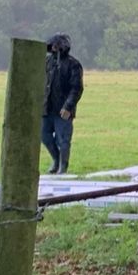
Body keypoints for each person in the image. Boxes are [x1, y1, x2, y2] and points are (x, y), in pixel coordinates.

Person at [42, 34, 83, 175]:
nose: (54, 48)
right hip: (47, 108)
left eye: (57, 46)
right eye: (52, 46)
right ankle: (56, 159)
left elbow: (76, 88)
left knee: (63, 140)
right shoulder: (47, 62)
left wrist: (68, 107)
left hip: (63, 110)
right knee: (44, 135)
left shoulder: (73, 64)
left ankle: (62, 167)